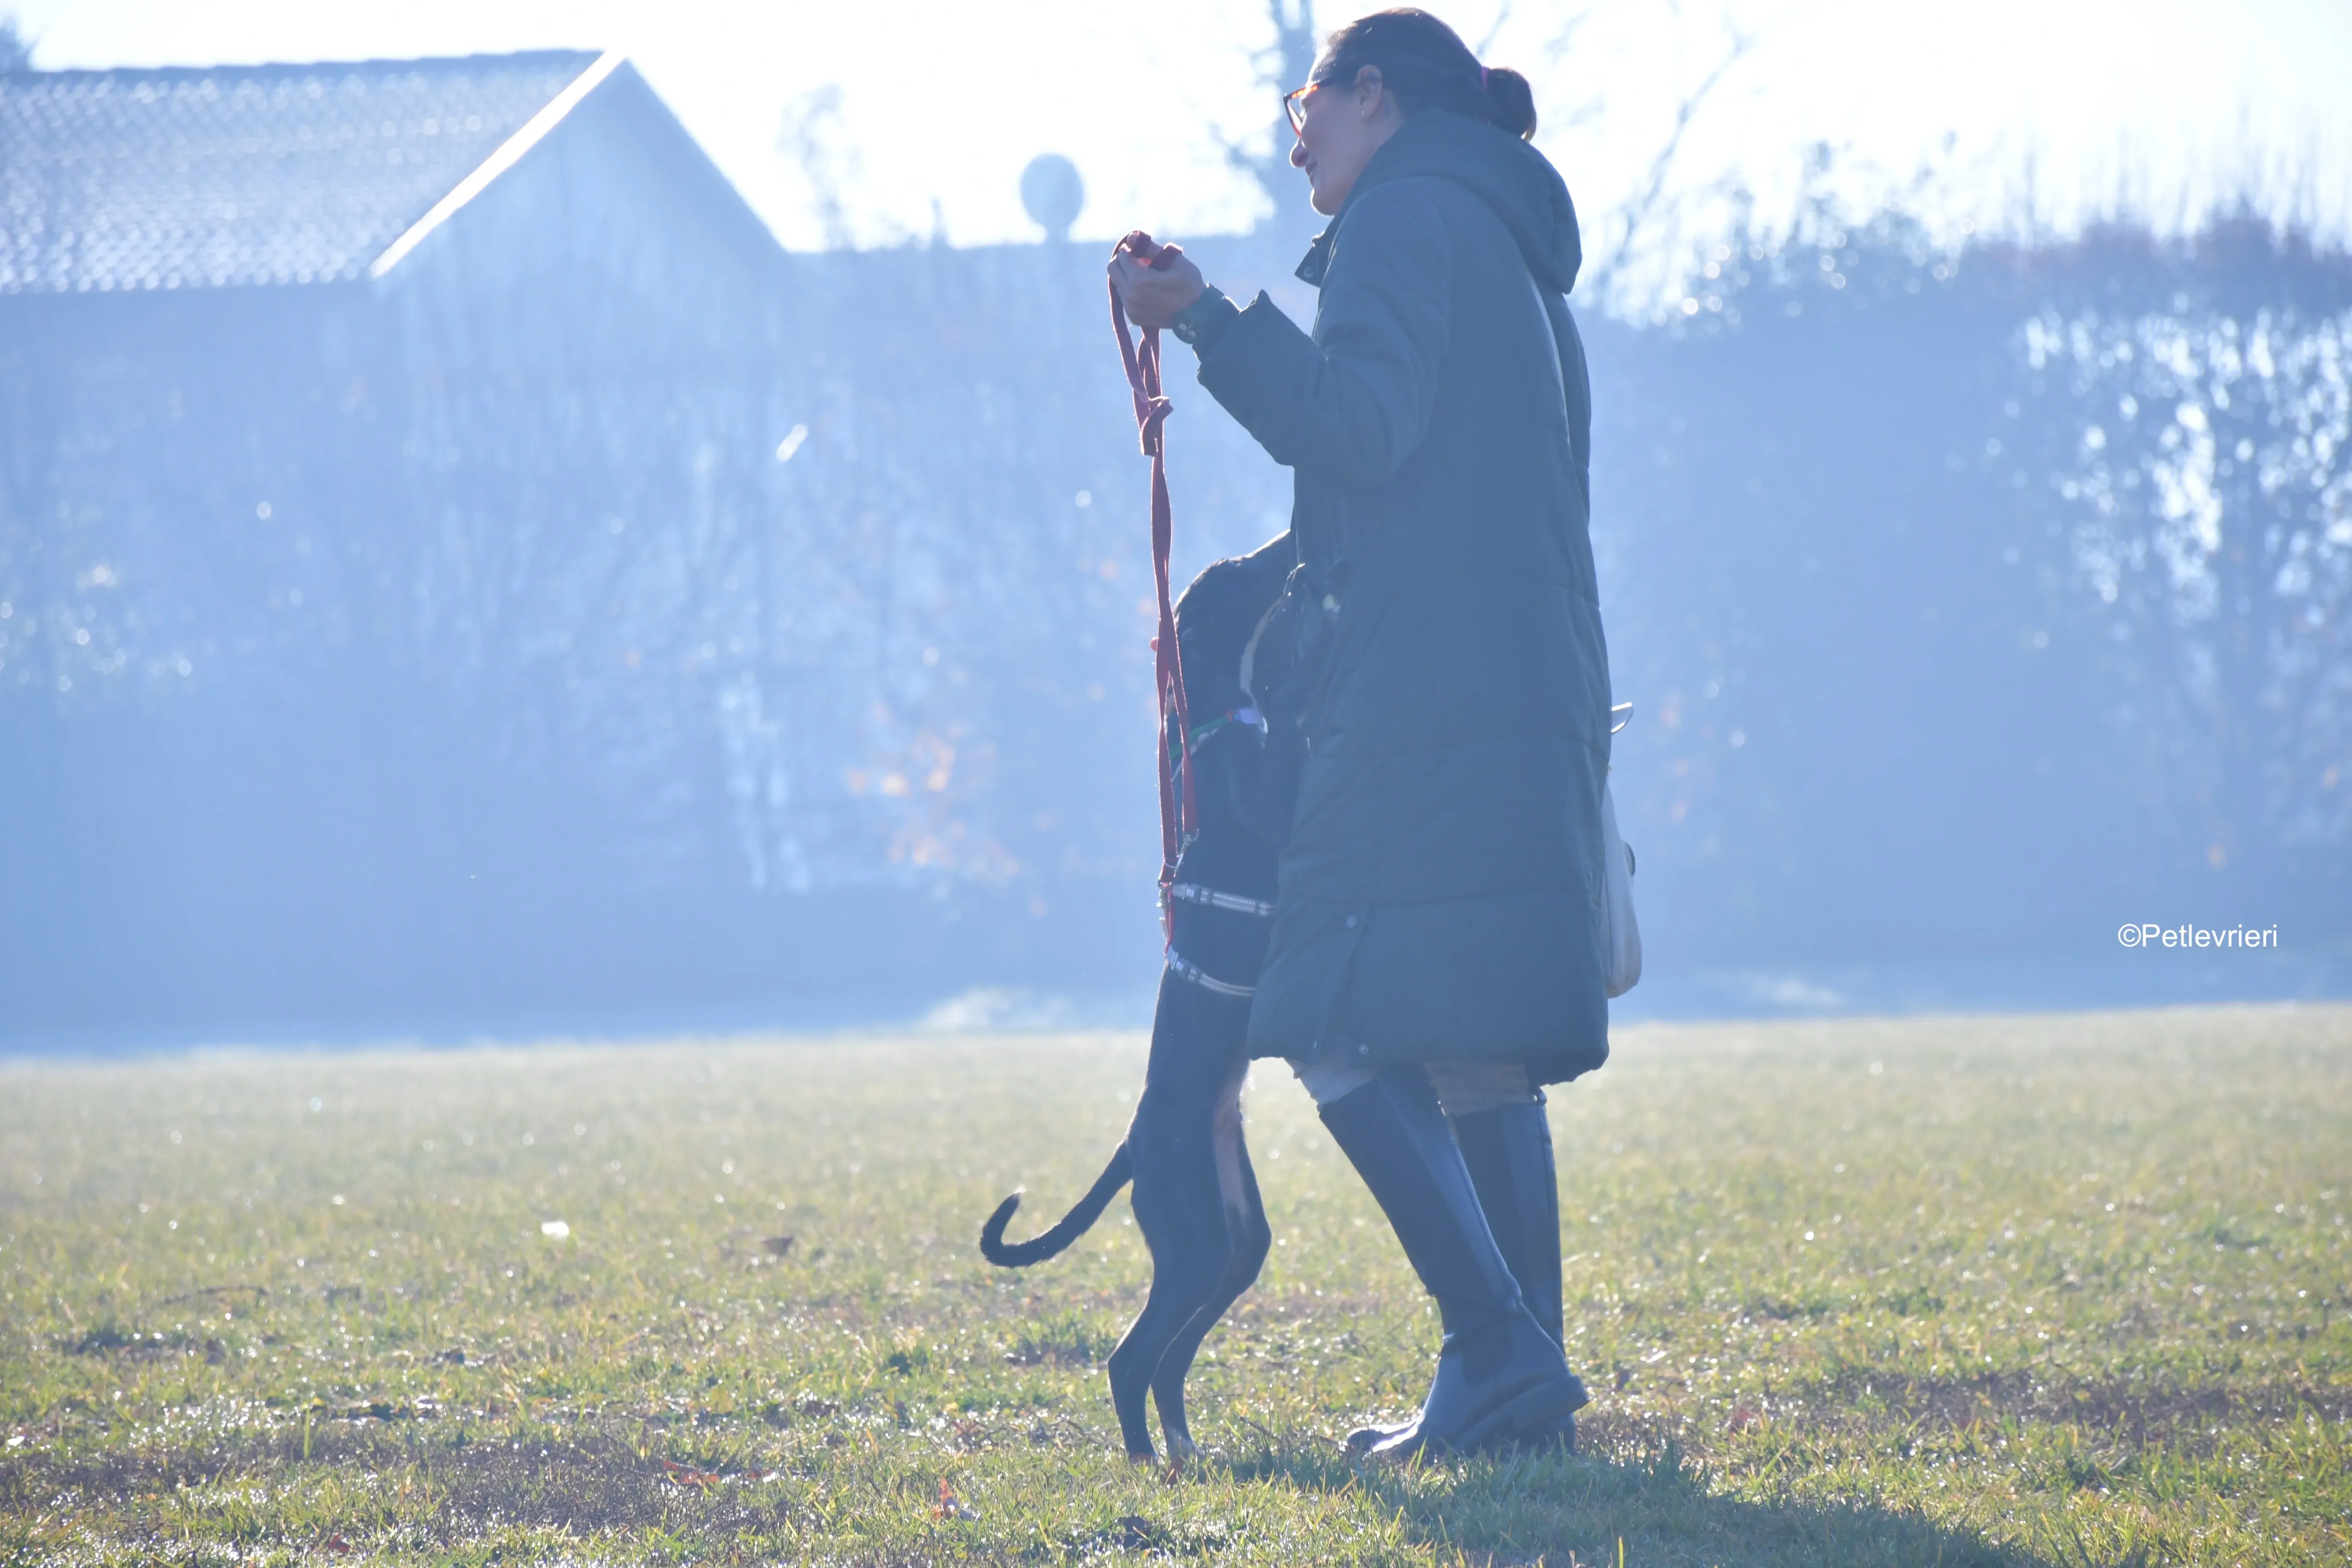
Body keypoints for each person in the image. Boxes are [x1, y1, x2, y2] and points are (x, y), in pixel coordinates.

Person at [1111, 7, 1613, 1458]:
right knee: (1479, 1043)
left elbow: (1362, 431)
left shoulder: (1404, 223)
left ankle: (1498, 1348)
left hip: (1421, 706)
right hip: (1520, 692)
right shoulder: (1501, 241)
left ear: (1374, 96)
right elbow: (1439, 490)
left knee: (1328, 1014)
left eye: (1307, 98)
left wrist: (1206, 320)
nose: (1296, 128)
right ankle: (1523, 1394)